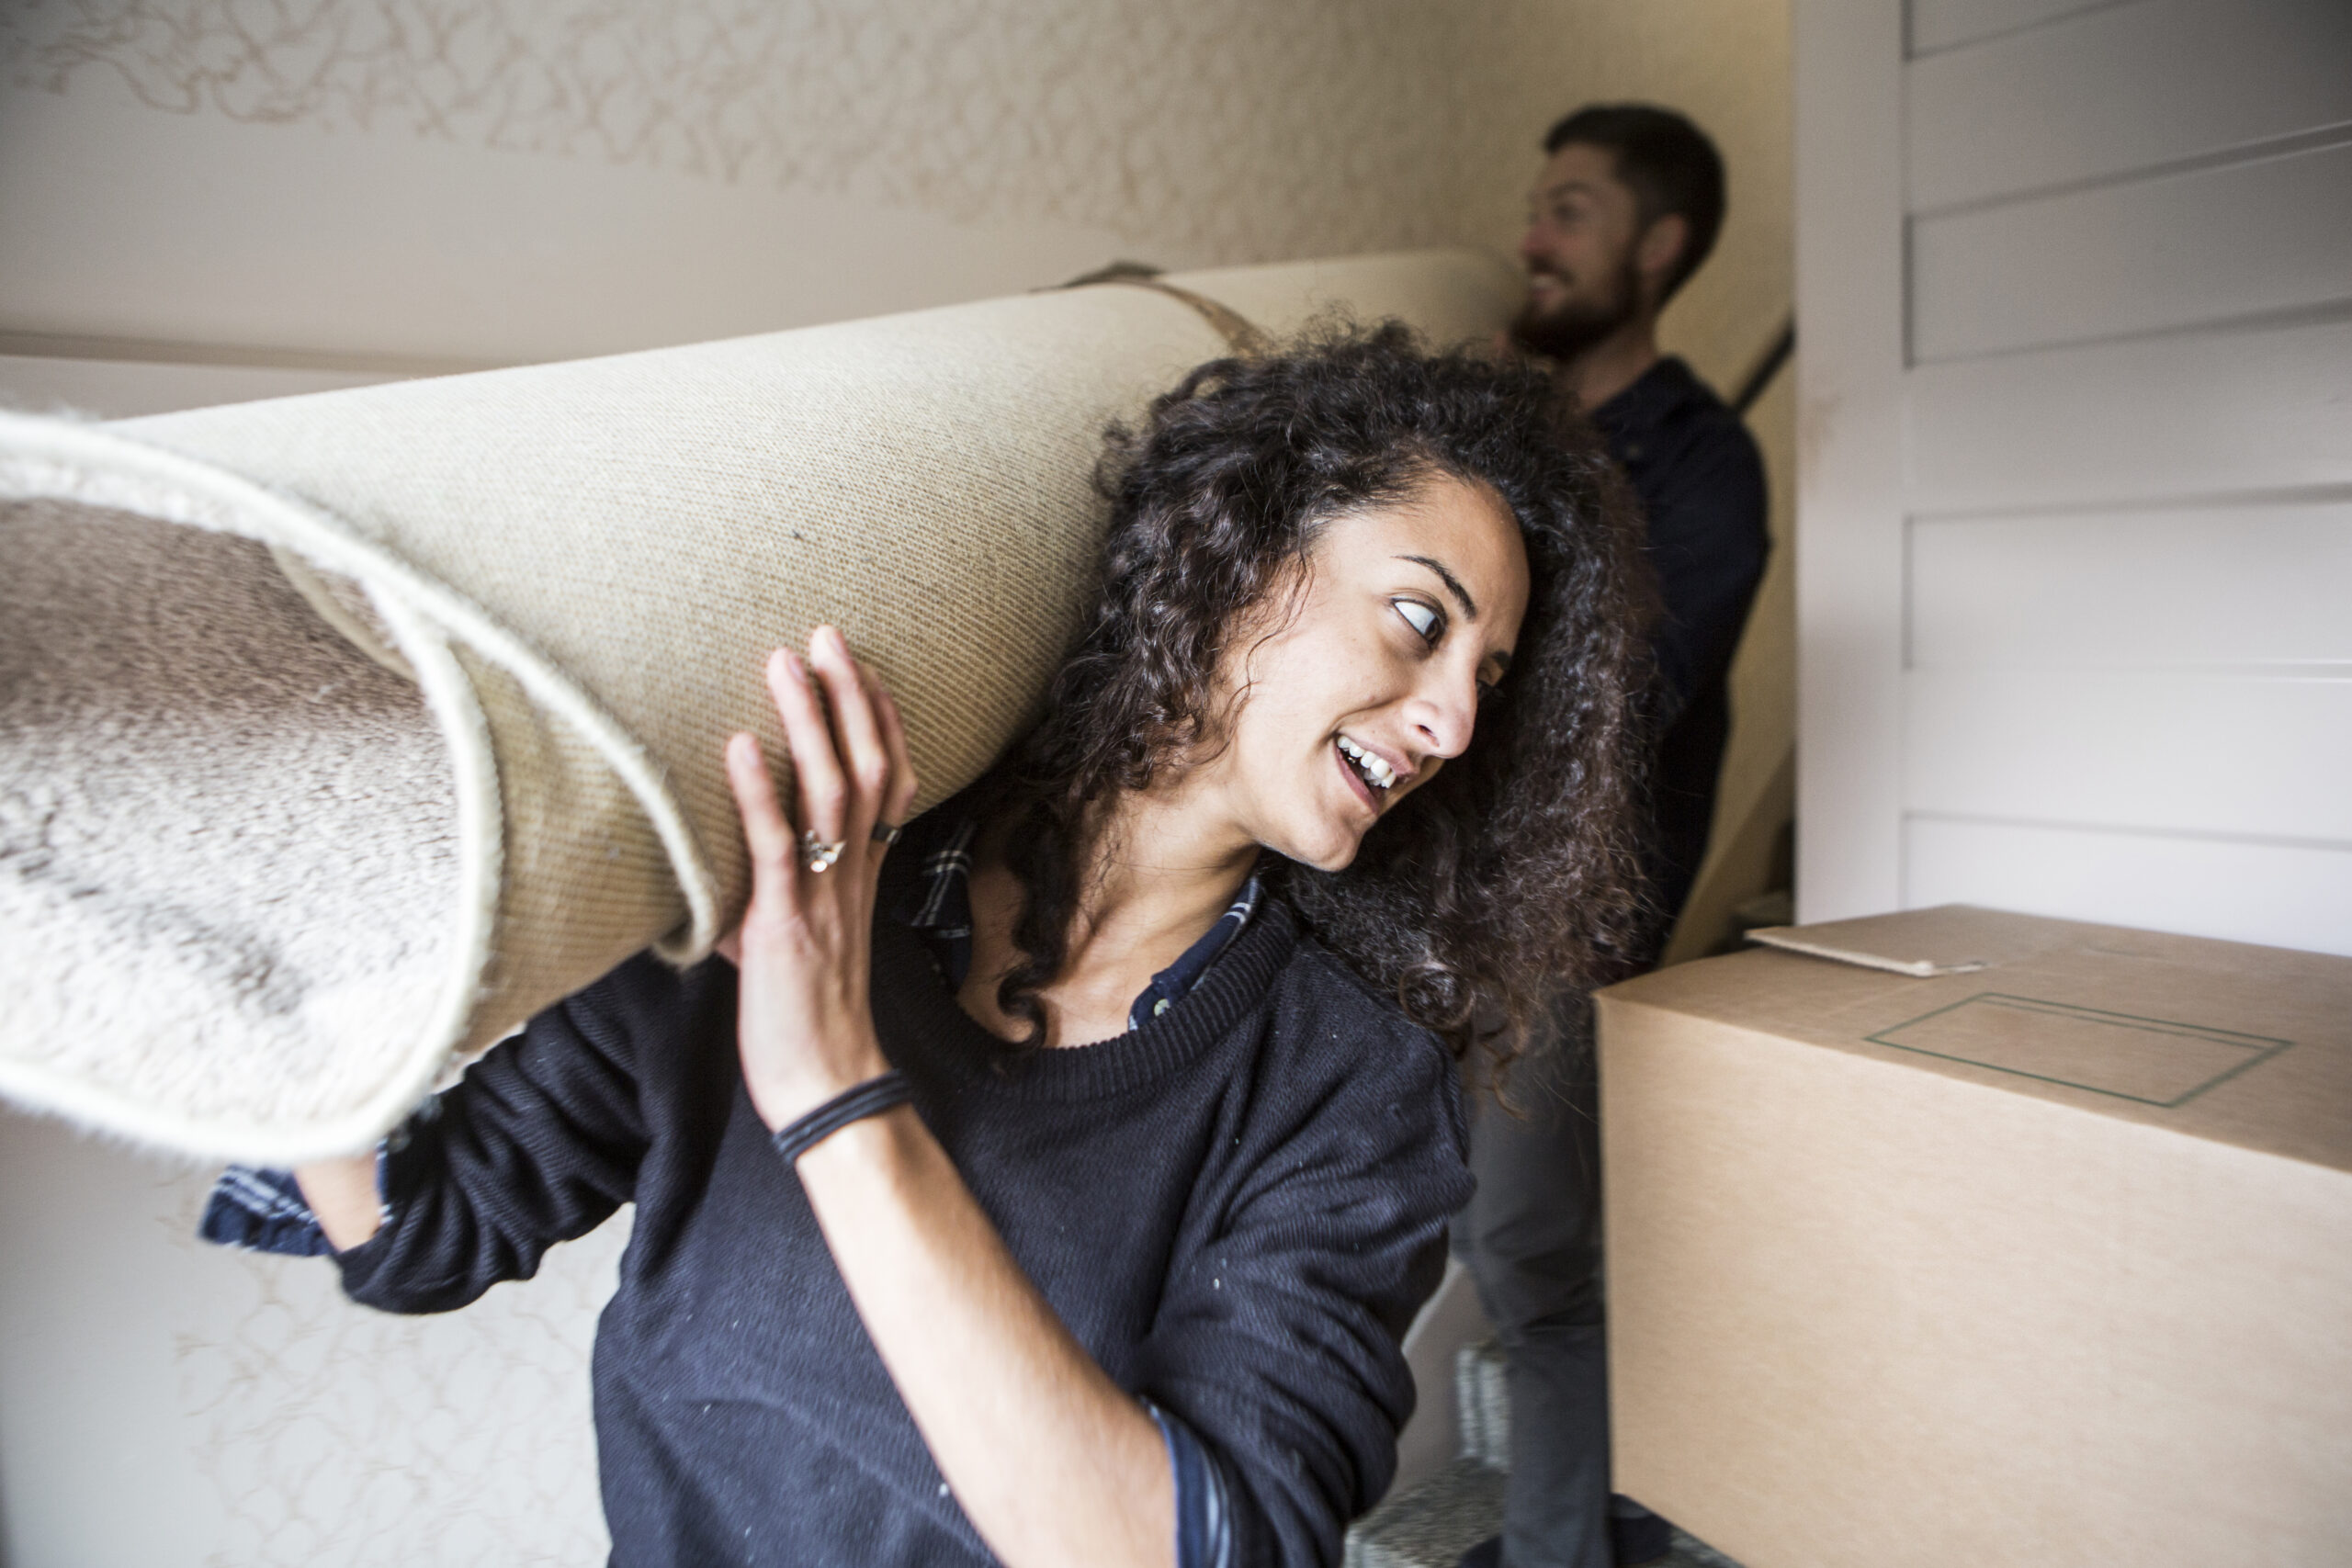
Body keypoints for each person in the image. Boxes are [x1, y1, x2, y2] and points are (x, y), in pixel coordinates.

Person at [203, 324, 1657, 1568]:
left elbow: (1219, 1543)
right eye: (1420, 621)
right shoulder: (813, 878)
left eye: (1486, 678)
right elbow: (419, 1232)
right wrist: (284, 889)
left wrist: (840, 1097)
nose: (1452, 722)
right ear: (1240, 556)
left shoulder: (1351, 1083)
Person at [1454, 106, 1770, 1568]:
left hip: (1556, 929)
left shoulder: (1704, 467)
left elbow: (1624, 703)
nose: (1533, 237)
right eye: (1539, 204)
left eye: (1571, 209)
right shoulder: (1491, 428)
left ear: (1659, 247)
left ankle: (1555, 1553)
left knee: (1534, 1268)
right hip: (1413, 893)